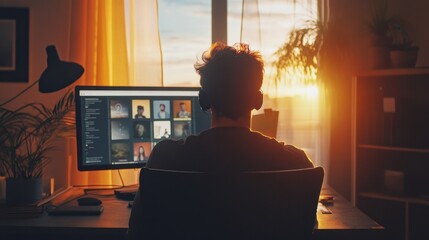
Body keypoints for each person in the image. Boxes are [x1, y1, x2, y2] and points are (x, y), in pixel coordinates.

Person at [128, 42, 313, 238]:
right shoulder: (296, 163)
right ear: (257, 100)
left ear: (203, 99)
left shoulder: (164, 159)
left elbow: (137, 233)